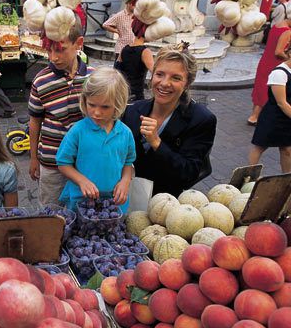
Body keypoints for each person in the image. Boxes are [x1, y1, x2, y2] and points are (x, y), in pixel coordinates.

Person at [123, 44, 217, 197]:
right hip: (127, 195)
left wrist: (156, 142)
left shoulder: (201, 119)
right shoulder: (134, 110)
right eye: (159, 74)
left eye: (176, 78)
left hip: (166, 203)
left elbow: (189, 172)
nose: (165, 83)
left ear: (187, 83)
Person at [28, 18, 92, 206]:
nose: (53, 57)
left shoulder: (93, 78)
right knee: (51, 212)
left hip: (84, 162)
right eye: (48, 50)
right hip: (51, 161)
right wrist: (33, 158)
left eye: (60, 49)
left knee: (82, 210)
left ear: (78, 44)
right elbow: (35, 121)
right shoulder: (41, 81)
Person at [56, 68, 135, 212]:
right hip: (81, 201)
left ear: (118, 104)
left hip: (114, 203)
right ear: (84, 100)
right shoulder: (78, 131)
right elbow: (63, 163)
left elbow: (128, 163)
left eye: (105, 107)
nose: (97, 112)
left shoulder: (125, 133)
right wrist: (82, 181)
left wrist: (125, 182)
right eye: (92, 105)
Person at [249, 38, 291, 173]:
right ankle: (248, 177)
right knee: (260, 147)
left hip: (290, 117)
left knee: (287, 150)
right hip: (274, 118)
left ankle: (286, 178)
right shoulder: (279, 73)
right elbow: (281, 102)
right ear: (290, 53)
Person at [249, 16, 291, 125]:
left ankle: (254, 115)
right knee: (268, 89)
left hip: (265, 60)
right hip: (274, 63)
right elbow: (278, 52)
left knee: (261, 87)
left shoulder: (277, 25)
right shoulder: (286, 31)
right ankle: (255, 117)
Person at [116, 29, 155, 101]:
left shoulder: (124, 49)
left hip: (122, 92)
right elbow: (155, 72)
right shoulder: (145, 52)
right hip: (136, 94)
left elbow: (116, 68)